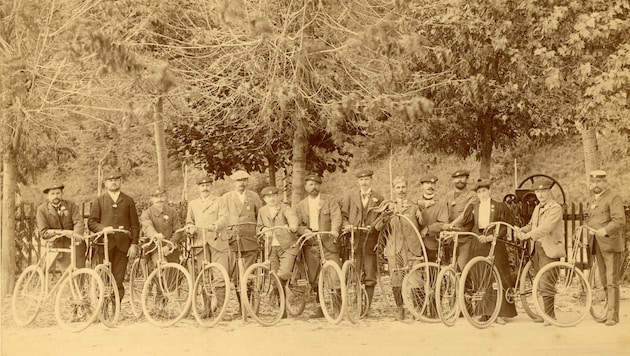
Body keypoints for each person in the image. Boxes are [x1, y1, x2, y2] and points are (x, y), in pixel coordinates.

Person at [462, 179, 517, 324]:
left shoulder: (499, 206)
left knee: (498, 276)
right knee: (480, 277)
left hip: (495, 243)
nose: (482, 194)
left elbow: (507, 225)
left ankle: (500, 313)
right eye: (479, 192)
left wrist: (493, 236)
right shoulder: (474, 207)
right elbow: (467, 226)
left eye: (484, 191)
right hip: (478, 244)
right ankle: (483, 311)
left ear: (489, 191)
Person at [515, 179, 564, 323]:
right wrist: (522, 230)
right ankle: (545, 314)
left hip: (550, 248)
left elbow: (546, 228)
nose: (540, 195)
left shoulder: (555, 208)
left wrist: (528, 235)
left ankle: (550, 316)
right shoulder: (538, 208)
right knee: (540, 281)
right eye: (537, 192)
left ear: (549, 192)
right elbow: (532, 225)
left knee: (546, 281)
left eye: (543, 191)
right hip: (536, 248)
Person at [88, 171, 140, 302]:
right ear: (105, 183)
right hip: (104, 244)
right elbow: (91, 223)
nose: (114, 182)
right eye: (110, 180)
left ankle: (116, 307)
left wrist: (134, 244)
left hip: (123, 246)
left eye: (117, 180)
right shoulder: (99, 201)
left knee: (118, 278)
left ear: (121, 182)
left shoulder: (128, 200)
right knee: (103, 277)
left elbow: (135, 225)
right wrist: (103, 229)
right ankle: (102, 307)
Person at [294, 174, 342, 317]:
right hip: (311, 243)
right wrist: (305, 231)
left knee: (334, 275)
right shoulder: (300, 206)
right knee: (314, 277)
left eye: (316, 184)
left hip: (328, 241)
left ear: (320, 186)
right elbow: (298, 225)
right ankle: (320, 308)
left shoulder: (330, 200)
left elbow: (336, 216)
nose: (313, 187)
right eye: (310, 184)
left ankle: (338, 308)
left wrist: (334, 230)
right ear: (305, 187)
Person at [379, 176, 425, 320]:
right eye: (398, 187)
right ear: (393, 189)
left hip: (412, 247)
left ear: (407, 188)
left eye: (403, 187)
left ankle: (417, 309)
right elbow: (378, 227)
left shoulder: (414, 206)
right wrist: (385, 216)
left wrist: (421, 212)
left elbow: (423, 223)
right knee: (396, 279)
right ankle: (400, 309)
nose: (401, 190)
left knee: (416, 279)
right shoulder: (388, 207)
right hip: (395, 248)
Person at [340, 169, 384, 315]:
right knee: (354, 271)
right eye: (361, 180)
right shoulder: (350, 196)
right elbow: (343, 215)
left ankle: (367, 307)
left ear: (371, 180)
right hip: (354, 238)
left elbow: (383, 218)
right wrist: (347, 225)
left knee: (370, 273)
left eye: (367, 180)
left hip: (370, 240)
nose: (364, 183)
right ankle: (356, 304)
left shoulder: (379, 197)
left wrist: (375, 226)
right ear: (358, 182)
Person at [585, 170, 626, 326]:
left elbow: (619, 220)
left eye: (599, 182)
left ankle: (612, 317)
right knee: (603, 279)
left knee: (611, 281)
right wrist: (589, 227)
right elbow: (590, 218)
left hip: (610, 244)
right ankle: (607, 311)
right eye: (593, 182)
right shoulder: (593, 198)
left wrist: (605, 230)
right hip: (597, 243)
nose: (596, 185)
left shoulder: (613, 197)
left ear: (605, 182)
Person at [186, 175, 229, 314]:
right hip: (200, 243)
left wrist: (216, 225)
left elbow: (224, 218)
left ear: (211, 186)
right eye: (202, 186)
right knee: (204, 275)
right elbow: (189, 221)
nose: (205, 188)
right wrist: (190, 228)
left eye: (207, 185)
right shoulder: (193, 204)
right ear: (198, 188)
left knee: (219, 274)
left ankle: (221, 310)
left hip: (217, 241)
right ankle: (207, 309)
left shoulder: (220, 201)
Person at [257, 186, 299, 317]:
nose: (272, 198)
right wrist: (263, 229)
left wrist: (292, 226)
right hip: (271, 248)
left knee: (284, 273)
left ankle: (279, 292)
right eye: (268, 197)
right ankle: (282, 310)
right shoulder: (262, 211)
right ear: (264, 199)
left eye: (274, 196)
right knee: (274, 276)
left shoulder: (285, 208)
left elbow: (292, 217)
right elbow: (258, 227)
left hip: (287, 246)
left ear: (278, 197)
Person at [35, 183, 86, 271]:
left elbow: (78, 222)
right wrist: (61, 232)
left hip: (74, 242)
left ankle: (79, 285)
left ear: (62, 194)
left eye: (58, 193)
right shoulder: (42, 209)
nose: (56, 196)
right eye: (52, 194)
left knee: (80, 271)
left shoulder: (71, 205)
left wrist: (76, 235)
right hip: (57, 244)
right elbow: (44, 232)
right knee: (66, 273)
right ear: (48, 196)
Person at [222, 170, 262, 275]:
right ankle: (237, 287)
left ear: (247, 181)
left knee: (250, 263)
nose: (241, 183)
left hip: (249, 234)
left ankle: (249, 285)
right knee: (233, 264)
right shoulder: (226, 197)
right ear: (234, 182)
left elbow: (259, 216)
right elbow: (222, 217)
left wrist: (258, 230)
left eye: (244, 180)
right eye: (238, 180)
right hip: (233, 235)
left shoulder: (254, 196)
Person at [443, 169, 480, 271]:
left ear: (467, 179)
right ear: (453, 180)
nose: (459, 180)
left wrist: (450, 225)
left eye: (462, 177)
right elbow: (443, 213)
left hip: (465, 236)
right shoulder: (448, 195)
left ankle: (465, 286)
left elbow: (465, 215)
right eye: (456, 178)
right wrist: (443, 226)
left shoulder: (472, 196)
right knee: (448, 267)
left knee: (462, 267)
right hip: (450, 237)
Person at [140, 187, 184, 267]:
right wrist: (155, 235)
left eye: (161, 196)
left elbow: (178, 231)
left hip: (171, 248)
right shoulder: (147, 213)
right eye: (156, 197)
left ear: (165, 197)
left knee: (175, 275)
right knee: (163, 266)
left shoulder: (172, 211)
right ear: (152, 199)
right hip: (155, 249)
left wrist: (168, 247)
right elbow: (147, 227)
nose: (159, 199)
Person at [416, 174, 449, 263]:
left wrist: (428, 229)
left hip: (433, 243)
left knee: (432, 270)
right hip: (416, 244)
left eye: (433, 184)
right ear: (422, 186)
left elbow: (443, 223)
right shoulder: (415, 202)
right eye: (427, 183)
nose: (430, 186)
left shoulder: (441, 203)